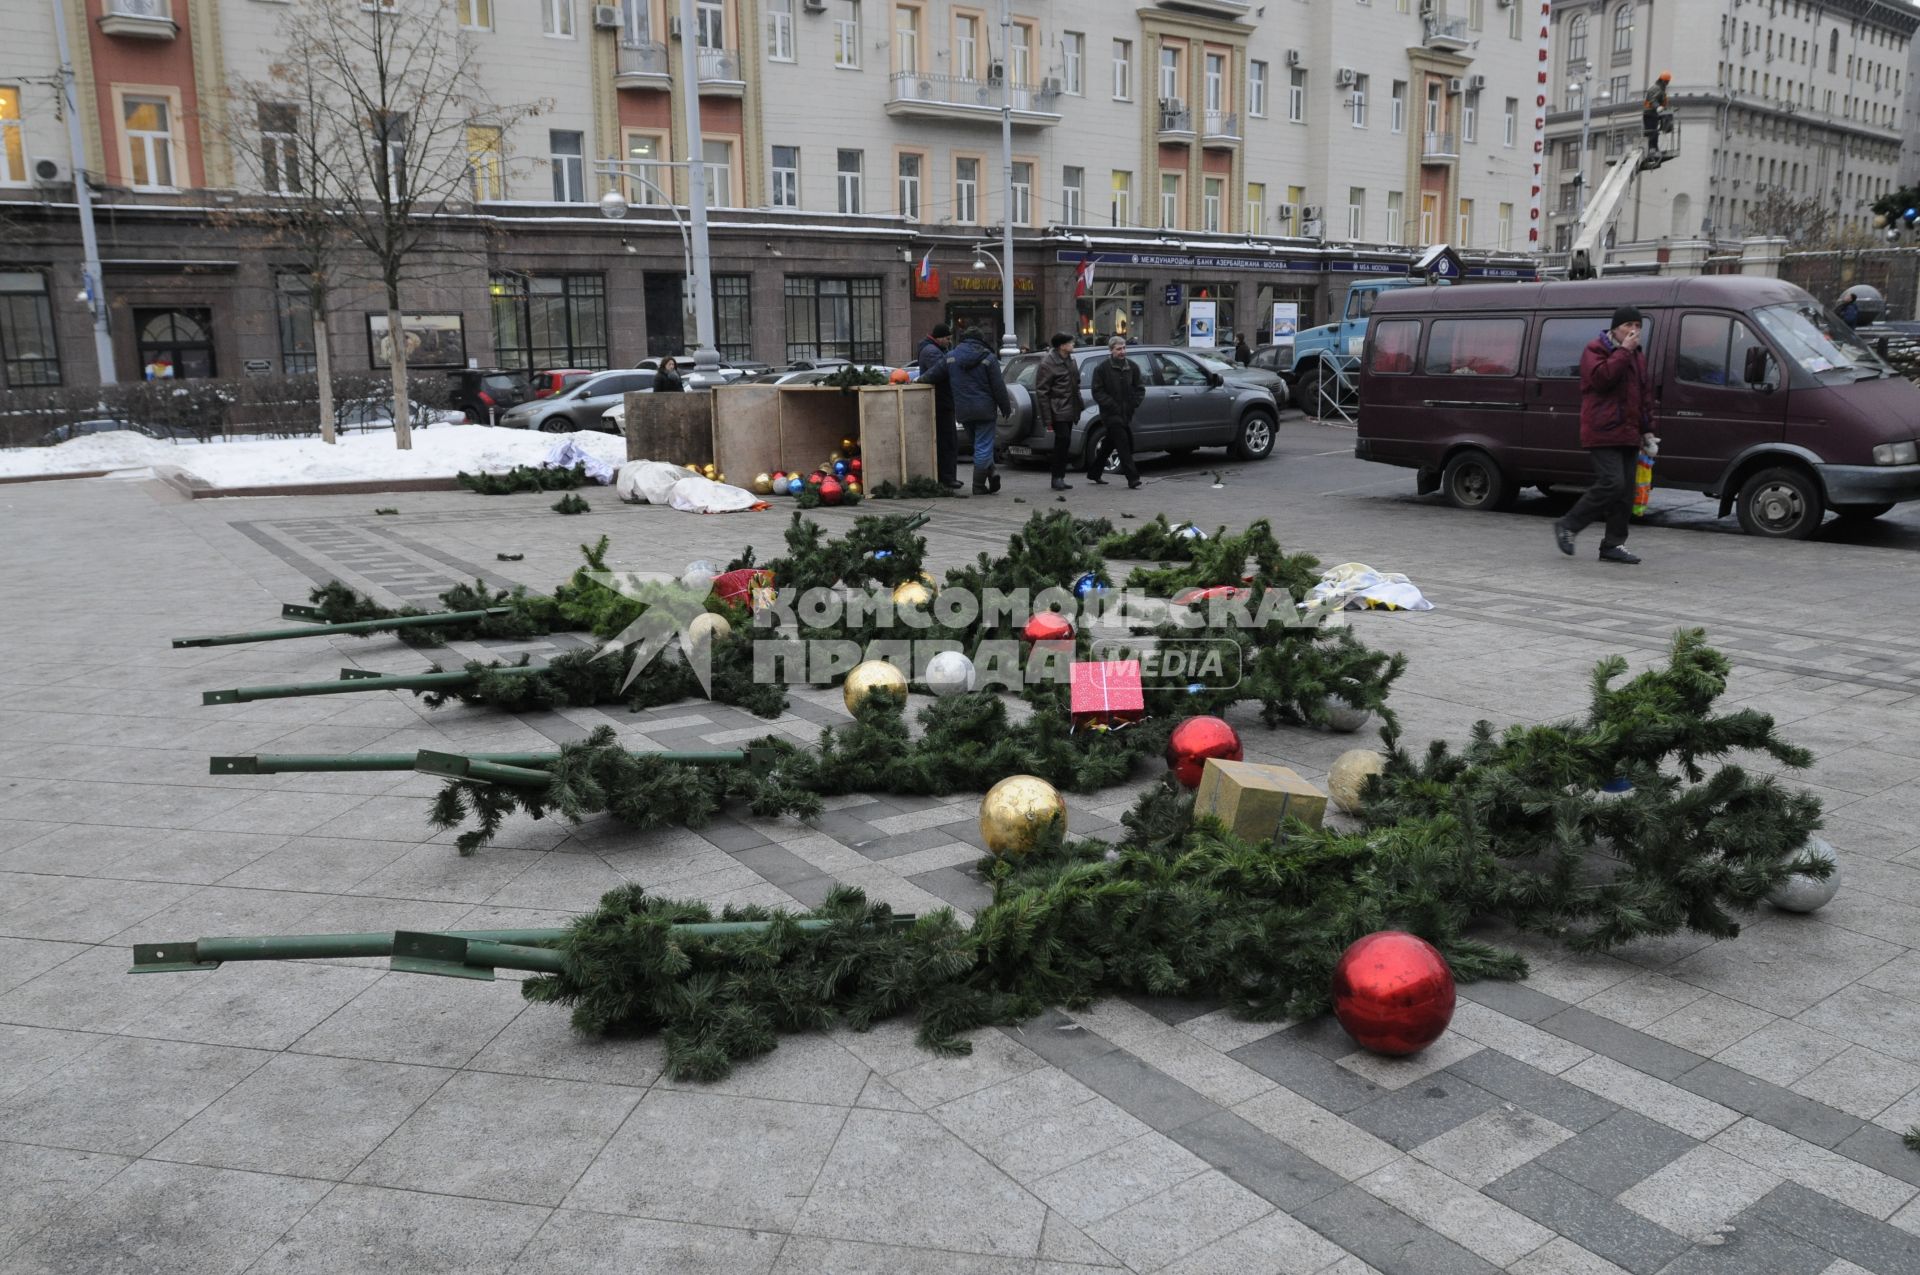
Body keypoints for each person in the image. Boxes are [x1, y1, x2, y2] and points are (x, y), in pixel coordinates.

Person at [1554, 306, 1656, 565]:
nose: (1633, 330)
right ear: (1615, 328)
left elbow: (1643, 396)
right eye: (1627, 326)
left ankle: (1614, 544)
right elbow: (1601, 379)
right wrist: (1623, 352)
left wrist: (1647, 431)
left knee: (1625, 491)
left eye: (1637, 325)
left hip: (1629, 432)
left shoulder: (1637, 356)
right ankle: (1568, 525)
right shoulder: (1596, 349)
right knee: (1613, 482)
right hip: (1603, 429)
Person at [921, 328, 1011, 494]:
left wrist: (915, 381)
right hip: (984, 410)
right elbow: (998, 387)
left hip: (963, 410)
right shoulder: (988, 357)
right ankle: (978, 486)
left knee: (980, 445)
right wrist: (1005, 407)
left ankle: (991, 473)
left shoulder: (951, 356)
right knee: (983, 447)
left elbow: (930, 376)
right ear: (980, 340)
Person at [1088, 336, 1144, 488]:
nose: (1122, 351)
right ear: (1111, 350)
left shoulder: (1132, 367)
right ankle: (1133, 478)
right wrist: (1111, 405)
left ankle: (1094, 472)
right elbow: (1097, 391)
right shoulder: (1102, 368)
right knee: (1123, 443)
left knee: (1109, 444)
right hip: (1110, 414)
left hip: (1126, 413)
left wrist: (1133, 404)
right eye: (1119, 349)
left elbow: (1139, 388)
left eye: (1124, 348)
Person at [1034, 332, 1083, 492]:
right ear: (1062, 346)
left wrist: (1079, 403)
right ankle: (1057, 478)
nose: (1073, 345)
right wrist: (1048, 419)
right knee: (1062, 441)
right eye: (1070, 342)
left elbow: (1076, 384)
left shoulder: (1070, 360)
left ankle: (1060, 476)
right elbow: (1042, 391)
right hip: (1058, 409)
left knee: (1065, 442)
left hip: (1070, 408)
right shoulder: (1048, 363)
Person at [916, 323, 963, 490]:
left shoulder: (932, 350)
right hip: (941, 401)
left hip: (941, 400)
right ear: (939, 337)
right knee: (947, 441)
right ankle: (947, 478)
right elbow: (941, 372)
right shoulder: (932, 352)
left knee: (947, 440)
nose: (949, 342)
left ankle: (947, 476)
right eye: (948, 339)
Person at [1642, 72, 1672, 156]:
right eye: (1666, 82)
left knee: (1654, 131)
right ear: (1663, 81)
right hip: (1649, 113)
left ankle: (1654, 147)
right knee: (1652, 131)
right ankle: (1652, 148)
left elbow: (1661, 100)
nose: (1667, 84)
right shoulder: (1655, 88)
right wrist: (1658, 107)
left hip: (1654, 113)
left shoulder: (1660, 89)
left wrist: (1664, 109)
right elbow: (1652, 100)